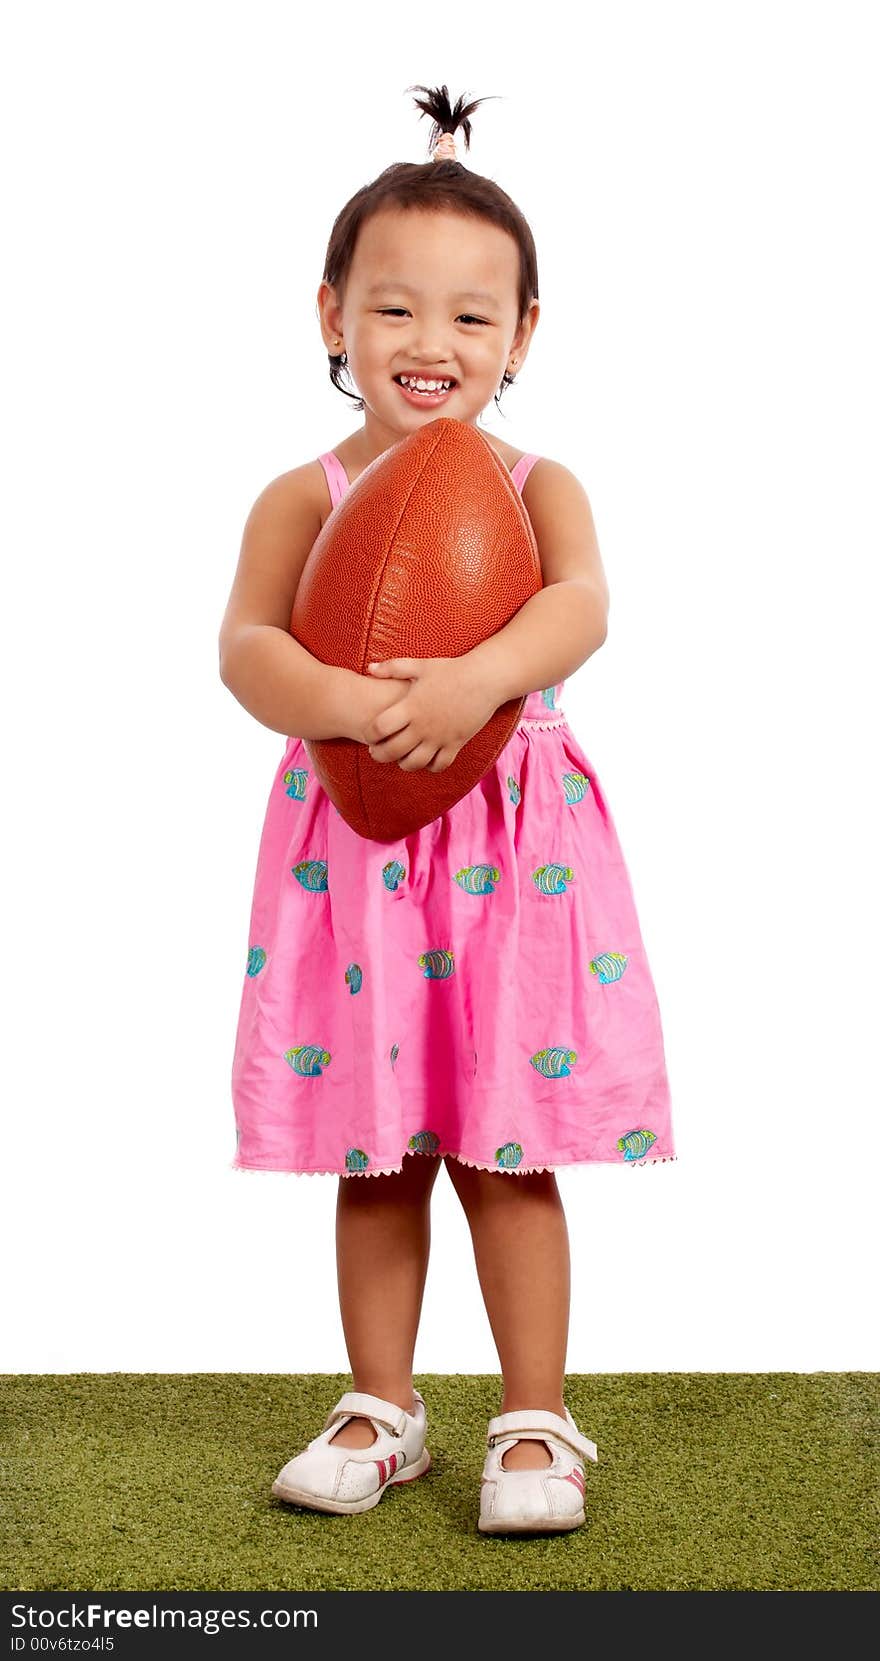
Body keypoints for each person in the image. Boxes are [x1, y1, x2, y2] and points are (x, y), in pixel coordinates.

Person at [218, 83, 676, 1536]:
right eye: (395, 309)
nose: (432, 345)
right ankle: (385, 1402)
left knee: (506, 1145)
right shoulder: (307, 491)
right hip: (359, 854)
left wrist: (479, 675)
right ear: (333, 314)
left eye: (473, 319)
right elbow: (248, 645)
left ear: (524, 335)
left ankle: (536, 1416)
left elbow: (584, 608)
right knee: (380, 1149)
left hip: (513, 858)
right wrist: (351, 705)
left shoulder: (544, 485)